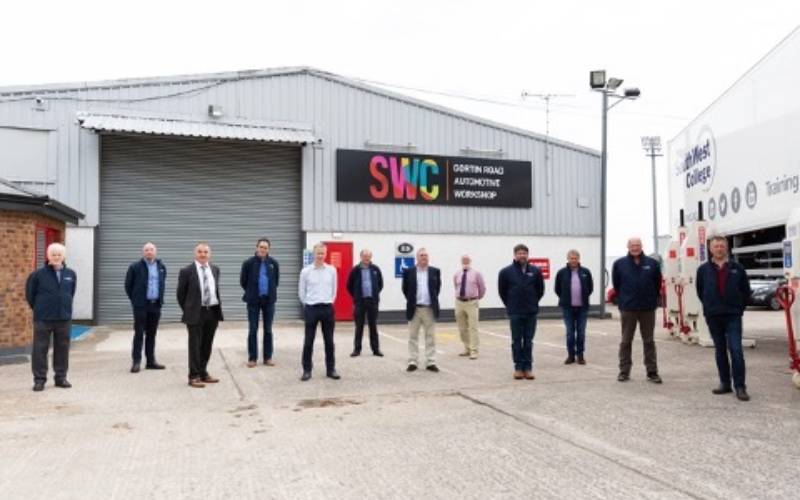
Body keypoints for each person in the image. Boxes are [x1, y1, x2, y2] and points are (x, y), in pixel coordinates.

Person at [696, 236, 752, 401]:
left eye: (722, 246)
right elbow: (701, 291)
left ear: (726, 248)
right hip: (713, 315)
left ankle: (740, 386)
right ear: (711, 249)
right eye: (716, 246)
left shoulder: (737, 268)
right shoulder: (703, 270)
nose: (719, 249)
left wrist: (739, 308)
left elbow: (746, 291)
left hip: (733, 315)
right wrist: (710, 307)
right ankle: (725, 383)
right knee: (720, 350)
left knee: (736, 350)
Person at [25, 243, 76, 392]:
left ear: (63, 256)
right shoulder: (37, 275)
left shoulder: (71, 274)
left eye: (59, 254)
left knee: (62, 349)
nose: (56, 257)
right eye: (53, 254)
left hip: (63, 318)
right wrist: (39, 309)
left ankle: (61, 377)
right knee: (40, 350)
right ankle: (39, 380)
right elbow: (30, 295)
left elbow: (70, 293)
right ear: (48, 256)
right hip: (43, 318)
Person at [612, 237, 662, 383]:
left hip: (647, 308)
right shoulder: (619, 264)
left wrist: (652, 299)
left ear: (642, 246)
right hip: (628, 308)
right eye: (632, 245)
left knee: (649, 341)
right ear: (628, 247)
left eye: (637, 245)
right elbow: (617, 285)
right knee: (626, 341)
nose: (635, 248)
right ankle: (624, 371)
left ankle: (652, 372)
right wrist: (624, 300)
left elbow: (657, 283)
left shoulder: (652, 264)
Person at [176, 242, 224, 388]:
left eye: (205, 252)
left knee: (207, 345)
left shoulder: (215, 269)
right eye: (200, 251)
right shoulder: (186, 271)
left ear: (210, 254)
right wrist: (189, 309)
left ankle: (203, 372)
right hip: (195, 312)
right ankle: (193, 376)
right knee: (195, 346)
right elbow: (180, 294)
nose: (203, 254)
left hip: (212, 311)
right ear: (195, 253)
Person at [498, 244, 544, 380]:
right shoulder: (506, 272)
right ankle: (518, 368)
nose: (522, 255)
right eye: (519, 253)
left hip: (531, 311)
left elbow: (540, 290)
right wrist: (511, 304)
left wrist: (532, 302)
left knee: (528, 341)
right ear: (515, 255)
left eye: (524, 253)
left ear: (527, 255)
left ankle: (528, 368)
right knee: (516, 341)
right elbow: (502, 291)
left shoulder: (535, 271)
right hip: (515, 312)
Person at [298, 243, 339, 381]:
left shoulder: (331, 270)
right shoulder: (306, 271)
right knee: (308, 341)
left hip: (327, 308)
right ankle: (307, 370)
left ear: (325, 254)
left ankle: (331, 369)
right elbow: (301, 292)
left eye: (322, 253)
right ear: (314, 254)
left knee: (329, 341)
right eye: (318, 253)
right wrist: (307, 304)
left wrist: (329, 302)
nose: (320, 256)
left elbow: (334, 290)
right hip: (311, 308)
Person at [124, 242, 167, 373]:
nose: (149, 252)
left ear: (155, 252)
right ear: (143, 252)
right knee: (139, 333)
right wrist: (136, 300)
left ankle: (150, 361)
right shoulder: (135, 267)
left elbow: (162, 283)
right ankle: (136, 362)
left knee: (151, 334)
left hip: (155, 305)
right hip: (141, 306)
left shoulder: (161, 267)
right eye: (147, 250)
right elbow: (128, 286)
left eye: (151, 249)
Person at [240, 238, 280, 368]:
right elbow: (243, 281)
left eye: (265, 247)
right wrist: (252, 291)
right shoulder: (248, 263)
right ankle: (252, 358)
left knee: (268, 329)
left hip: (269, 301)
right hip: (253, 301)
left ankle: (268, 357)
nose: (263, 249)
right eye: (261, 247)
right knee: (253, 329)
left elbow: (276, 282)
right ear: (256, 247)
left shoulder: (273, 263)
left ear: (269, 249)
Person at [401, 248, 441, 372]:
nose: (424, 257)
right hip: (415, 309)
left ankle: (431, 362)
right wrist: (412, 301)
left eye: (426, 255)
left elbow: (437, 289)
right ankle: (413, 361)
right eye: (421, 255)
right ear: (417, 258)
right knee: (413, 336)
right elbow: (405, 289)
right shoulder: (409, 272)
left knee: (430, 337)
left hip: (429, 309)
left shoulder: (435, 271)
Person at [554, 249, 594, 365]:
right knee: (570, 333)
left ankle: (580, 356)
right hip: (567, 308)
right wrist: (565, 298)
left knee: (581, 333)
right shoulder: (561, 273)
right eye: (571, 258)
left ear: (578, 259)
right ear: (568, 259)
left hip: (582, 308)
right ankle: (571, 355)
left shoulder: (586, 272)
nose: (573, 260)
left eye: (575, 258)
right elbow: (557, 289)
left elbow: (590, 288)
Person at [345, 249, 384, 357]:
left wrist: (374, 293)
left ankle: (376, 349)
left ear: (371, 257)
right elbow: (349, 285)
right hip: (360, 302)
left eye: (368, 256)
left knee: (373, 326)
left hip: (372, 301)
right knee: (359, 326)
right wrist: (356, 296)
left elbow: (380, 284)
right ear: (361, 257)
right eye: (364, 256)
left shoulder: (375, 269)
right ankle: (357, 349)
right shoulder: (355, 270)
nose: (366, 258)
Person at [453, 254, 486, 360]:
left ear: (470, 261)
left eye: (467, 260)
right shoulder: (457, 274)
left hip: (472, 302)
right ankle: (467, 348)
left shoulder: (476, 274)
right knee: (462, 328)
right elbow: (456, 286)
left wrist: (477, 298)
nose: (465, 261)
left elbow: (482, 288)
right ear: (461, 261)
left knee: (473, 327)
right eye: (463, 260)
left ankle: (474, 350)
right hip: (459, 303)